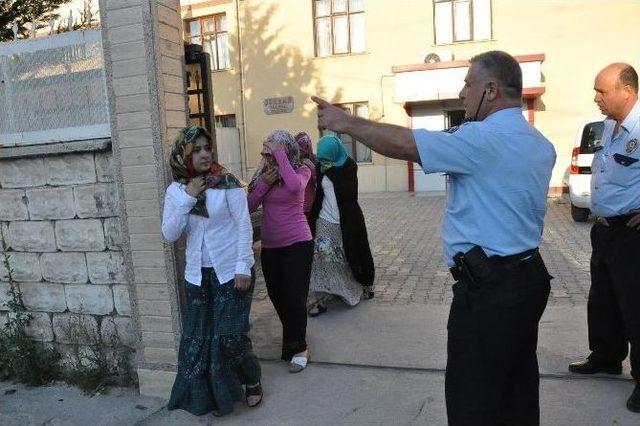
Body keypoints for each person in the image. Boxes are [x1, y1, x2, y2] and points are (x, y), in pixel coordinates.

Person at [312, 50, 556, 426]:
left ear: (490, 90)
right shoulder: (538, 142)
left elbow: (406, 144)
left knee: (472, 398)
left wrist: (346, 122)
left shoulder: (481, 139)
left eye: (467, 84)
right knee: (516, 386)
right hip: (526, 279)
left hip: (488, 291)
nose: (462, 94)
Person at [161, 125, 262, 417]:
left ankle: (252, 377)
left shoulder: (227, 182)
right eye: (198, 149)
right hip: (197, 275)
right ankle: (218, 396)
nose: (205, 154)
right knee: (200, 339)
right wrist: (189, 196)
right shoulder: (177, 190)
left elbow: (244, 224)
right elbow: (170, 233)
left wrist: (244, 266)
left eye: (208, 148)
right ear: (185, 154)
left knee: (229, 336)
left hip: (231, 271)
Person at [568, 63, 640, 413]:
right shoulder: (612, 127)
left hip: (633, 233)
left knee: (636, 307)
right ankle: (607, 356)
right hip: (606, 229)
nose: (596, 98)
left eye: (602, 91)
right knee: (604, 299)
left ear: (626, 90)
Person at [248, 130, 313, 373]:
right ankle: (294, 338)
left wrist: (279, 154)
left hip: (298, 243)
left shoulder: (302, 170)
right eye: (268, 152)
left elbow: (296, 187)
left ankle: (299, 347)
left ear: (286, 150)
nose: (271, 157)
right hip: (271, 247)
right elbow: (248, 206)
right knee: (277, 296)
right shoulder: (262, 176)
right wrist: (264, 183)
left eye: (276, 151)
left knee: (294, 297)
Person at [306, 135, 375, 317]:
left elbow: (348, 193)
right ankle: (320, 297)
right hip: (324, 220)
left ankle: (355, 286)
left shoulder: (349, 166)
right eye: (321, 158)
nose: (323, 162)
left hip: (347, 221)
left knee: (347, 257)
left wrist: (330, 171)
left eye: (326, 158)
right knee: (322, 258)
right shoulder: (322, 167)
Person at [295, 131, 318, 219]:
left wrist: (312, 168)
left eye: (302, 149)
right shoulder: (291, 162)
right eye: (298, 149)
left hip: (311, 206)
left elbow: (320, 183)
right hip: (296, 207)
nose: (300, 153)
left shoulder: (315, 160)